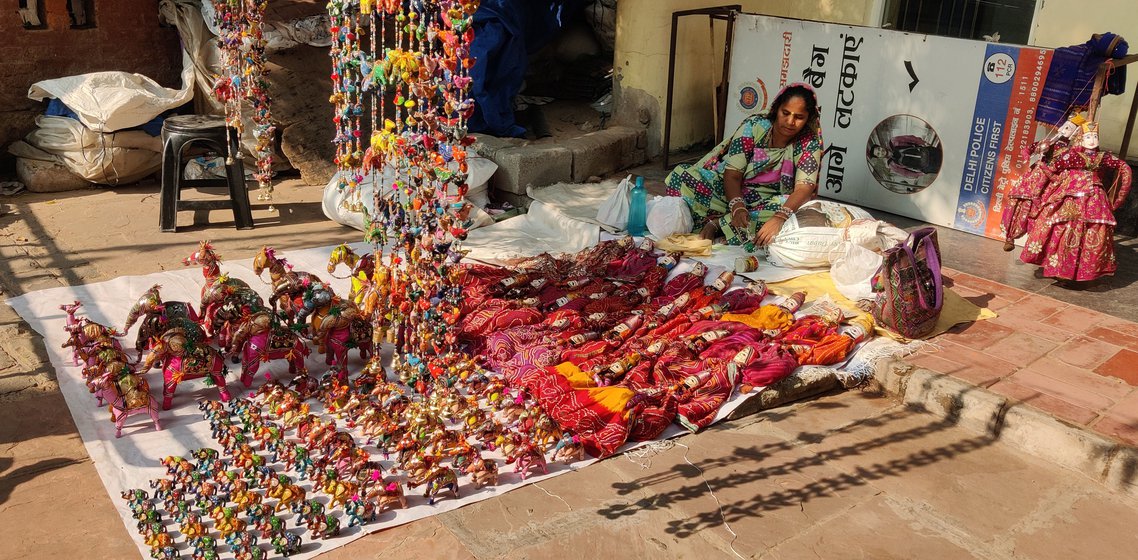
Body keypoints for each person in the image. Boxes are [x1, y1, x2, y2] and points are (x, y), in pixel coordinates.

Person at [665, 83, 824, 248]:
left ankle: (718, 225)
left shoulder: (808, 142)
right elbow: (733, 174)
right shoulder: (755, 126)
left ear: (808, 119)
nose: (790, 122)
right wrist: (737, 206)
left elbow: (804, 188)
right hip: (731, 193)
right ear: (777, 109)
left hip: (767, 202)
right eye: (785, 113)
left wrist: (779, 217)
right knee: (681, 175)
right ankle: (730, 228)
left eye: (799, 117)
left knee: (795, 208)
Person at [870, 135, 941, 180]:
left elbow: (910, 139)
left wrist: (922, 142)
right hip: (927, 167)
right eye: (878, 154)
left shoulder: (893, 141)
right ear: (879, 157)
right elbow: (906, 173)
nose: (881, 151)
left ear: (880, 146)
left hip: (928, 151)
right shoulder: (891, 165)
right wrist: (921, 173)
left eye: (879, 149)